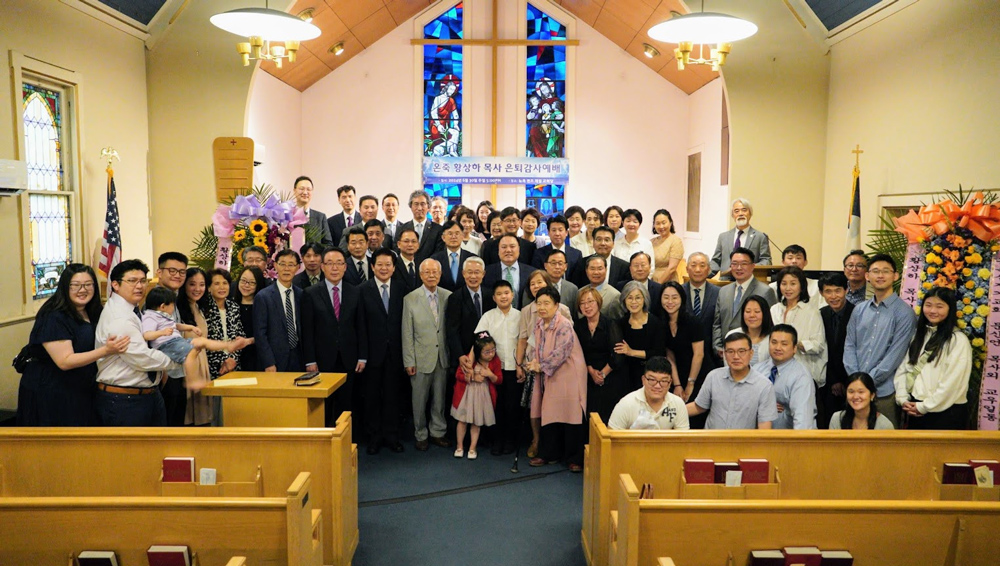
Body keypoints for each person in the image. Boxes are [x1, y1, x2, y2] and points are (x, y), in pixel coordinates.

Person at [16, 264, 129, 426]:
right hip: (51, 390)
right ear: (65, 287)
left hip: (81, 387)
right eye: (75, 285)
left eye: (88, 284)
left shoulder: (93, 310)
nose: (82, 290)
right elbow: (65, 361)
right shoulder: (53, 316)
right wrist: (106, 350)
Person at [94, 259, 179, 426]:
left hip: (144, 394)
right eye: (132, 281)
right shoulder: (119, 317)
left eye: (143, 281)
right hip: (125, 399)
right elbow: (142, 358)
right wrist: (179, 360)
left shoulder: (132, 309)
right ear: (115, 285)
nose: (139, 286)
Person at [844, 253, 917, 428]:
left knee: (885, 441)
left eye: (886, 271)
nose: (880, 275)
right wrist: (857, 381)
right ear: (867, 276)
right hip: (855, 393)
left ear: (895, 276)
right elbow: (849, 346)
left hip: (884, 392)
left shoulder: (904, 313)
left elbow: (895, 355)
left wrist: (864, 383)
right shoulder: (859, 310)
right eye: (875, 271)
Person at [302, 246, 368, 428]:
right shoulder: (311, 293)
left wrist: (362, 356)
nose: (335, 268)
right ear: (322, 266)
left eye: (339, 263)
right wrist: (310, 360)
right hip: (322, 359)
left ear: (345, 267)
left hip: (349, 357)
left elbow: (361, 326)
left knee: (346, 403)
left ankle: (344, 438)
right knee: (324, 404)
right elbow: (307, 331)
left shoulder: (355, 292)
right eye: (330, 263)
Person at [526, 286, 588, 471]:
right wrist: (533, 361)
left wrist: (541, 366)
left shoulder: (564, 324)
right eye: (539, 303)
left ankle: (575, 458)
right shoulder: (539, 323)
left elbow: (562, 351)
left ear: (556, 305)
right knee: (550, 412)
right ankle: (549, 453)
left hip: (569, 373)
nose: (542, 307)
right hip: (549, 374)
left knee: (571, 414)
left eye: (547, 303)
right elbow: (536, 347)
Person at [894, 287, 971, 430]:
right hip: (915, 407)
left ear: (950, 309)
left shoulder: (958, 340)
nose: (933, 311)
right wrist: (903, 398)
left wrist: (925, 407)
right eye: (928, 305)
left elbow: (952, 382)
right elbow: (904, 367)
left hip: (945, 412)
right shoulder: (919, 335)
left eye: (939, 306)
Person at [141, 286, 244, 390]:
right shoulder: (150, 317)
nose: (173, 308)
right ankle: (192, 380)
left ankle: (227, 346)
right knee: (192, 351)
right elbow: (147, 335)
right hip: (167, 345)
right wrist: (162, 333)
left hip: (177, 341)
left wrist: (191, 328)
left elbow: (176, 325)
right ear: (163, 306)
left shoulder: (164, 316)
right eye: (172, 305)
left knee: (201, 341)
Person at [359, 248, 407, 454]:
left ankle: (392, 435)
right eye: (380, 264)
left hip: (396, 352)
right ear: (372, 267)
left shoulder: (402, 289)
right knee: (372, 397)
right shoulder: (362, 290)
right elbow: (360, 325)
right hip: (372, 354)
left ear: (394, 268)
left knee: (393, 395)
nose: (384, 268)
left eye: (388, 264)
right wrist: (362, 354)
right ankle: (374, 436)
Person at [402, 259, 452, 451]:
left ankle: (438, 432)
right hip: (420, 357)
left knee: (440, 399)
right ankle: (420, 434)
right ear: (421, 275)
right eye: (427, 272)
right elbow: (407, 333)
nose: (431, 275)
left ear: (440, 274)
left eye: (435, 272)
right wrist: (409, 360)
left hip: (442, 357)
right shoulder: (410, 298)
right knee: (419, 400)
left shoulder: (448, 296)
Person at [686, 332, 777, 430]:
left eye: (741, 351)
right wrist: (675, 410)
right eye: (730, 351)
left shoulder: (764, 386)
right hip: (712, 438)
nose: (736, 356)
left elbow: (764, 427)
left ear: (751, 353)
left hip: (743, 439)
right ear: (724, 354)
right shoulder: (714, 376)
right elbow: (699, 407)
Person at [711, 247, 778, 359]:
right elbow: (717, 323)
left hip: (752, 353)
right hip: (725, 352)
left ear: (753, 266)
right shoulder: (723, 291)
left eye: (744, 264)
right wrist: (718, 347)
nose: (739, 268)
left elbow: (770, 323)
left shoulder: (765, 291)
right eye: (734, 264)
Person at [574, 287, 625, 424]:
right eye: (582, 303)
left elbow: (618, 354)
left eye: (590, 301)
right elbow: (577, 353)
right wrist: (591, 371)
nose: (587, 306)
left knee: (607, 416)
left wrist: (602, 374)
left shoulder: (610, 323)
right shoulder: (578, 326)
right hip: (587, 375)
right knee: (589, 416)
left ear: (598, 302)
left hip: (610, 374)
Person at [770, 266, 827, 388]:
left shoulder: (811, 312)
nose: (788, 288)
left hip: (803, 373)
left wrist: (796, 344)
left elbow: (819, 345)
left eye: (793, 284)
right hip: (777, 370)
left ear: (801, 287)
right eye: (784, 284)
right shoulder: (774, 310)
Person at [153, 251, 192, 426]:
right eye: (172, 270)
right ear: (159, 272)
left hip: (177, 371)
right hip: (165, 373)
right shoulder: (156, 300)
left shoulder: (173, 297)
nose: (177, 275)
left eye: (182, 272)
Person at [755, 324, 817, 429]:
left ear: (794, 348)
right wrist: (764, 407)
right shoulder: (757, 370)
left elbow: (803, 422)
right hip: (758, 435)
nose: (778, 348)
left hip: (788, 437)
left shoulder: (801, 377)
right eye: (774, 342)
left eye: (784, 344)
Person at [452, 332, 502, 459]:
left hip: (482, 397)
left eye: (493, 350)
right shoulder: (469, 360)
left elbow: (499, 380)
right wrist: (473, 377)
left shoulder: (495, 361)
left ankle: (472, 448)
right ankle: (459, 446)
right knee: (462, 420)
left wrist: (490, 374)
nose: (491, 354)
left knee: (477, 422)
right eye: (487, 352)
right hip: (467, 395)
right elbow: (458, 374)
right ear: (478, 352)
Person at [254, 249, 304, 373]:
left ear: (298, 267)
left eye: (291, 265)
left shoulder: (302, 295)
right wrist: (268, 362)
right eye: (282, 264)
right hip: (275, 360)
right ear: (275, 265)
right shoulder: (263, 297)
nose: (286, 269)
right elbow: (260, 334)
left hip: (299, 358)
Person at [176, 267, 215, 425]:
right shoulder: (178, 308)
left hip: (202, 362)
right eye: (192, 284)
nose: (197, 289)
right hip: (188, 366)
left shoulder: (198, 306)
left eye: (202, 284)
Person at [608, 356, 690, 430]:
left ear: (670, 383)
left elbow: (684, 438)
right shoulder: (626, 404)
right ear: (643, 380)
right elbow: (611, 437)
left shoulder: (678, 403)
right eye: (652, 380)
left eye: (664, 381)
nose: (657, 386)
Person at [660, 282, 709, 405]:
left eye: (674, 297)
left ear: (682, 299)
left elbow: (699, 354)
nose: (670, 302)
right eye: (666, 297)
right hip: (678, 373)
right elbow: (669, 355)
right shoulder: (662, 323)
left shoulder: (693, 322)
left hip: (698, 373)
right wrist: (677, 384)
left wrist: (690, 383)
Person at [818, 272, 855, 428]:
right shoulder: (820, 314)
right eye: (828, 291)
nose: (833, 296)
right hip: (827, 381)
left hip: (851, 379)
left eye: (837, 291)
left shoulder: (856, 313)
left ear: (846, 290)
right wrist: (833, 380)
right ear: (821, 293)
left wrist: (844, 380)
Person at [615, 281, 666, 392]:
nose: (634, 302)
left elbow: (659, 352)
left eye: (638, 298)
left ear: (644, 299)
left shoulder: (655, 322)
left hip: (650, 375)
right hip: (626, 376)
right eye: (630, 298)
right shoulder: (620, 323)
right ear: (624, 300)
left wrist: (632, 352)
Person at [710, 198, 772, 279]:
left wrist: (748, 267)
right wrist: (704, 273)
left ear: (750, 213)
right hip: (725, 281)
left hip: (749, 281)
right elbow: (715, 261)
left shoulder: (760, 237)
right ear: (732, 215)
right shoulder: (723, 237)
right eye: (736, 211)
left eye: (744, 210)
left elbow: (766, 261)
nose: (740, 214)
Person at [683, 252, 720, 368]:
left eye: (702, 265)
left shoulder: (719, 293)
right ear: (687, 269)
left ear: (708, 269)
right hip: (684, 354)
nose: (698, 270)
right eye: (693, 265)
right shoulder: (678, 292)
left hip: (711, 355)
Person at [483, 234, 537, 309]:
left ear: (519, 249)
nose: (508, 250)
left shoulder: (531, 272)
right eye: (504, 247)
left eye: (512, 246)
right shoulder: (487, 272)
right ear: (498, 250)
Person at [829, 372, 894, 430]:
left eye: (861, 392)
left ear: (872, 395)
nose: (855, 396)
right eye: (851, 392)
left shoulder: (884, 425)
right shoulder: (837, 419)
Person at [768, 245, 826, 309]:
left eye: (798, 258)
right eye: (790, 258)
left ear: (805, 262)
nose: (794, 261)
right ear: (783, 262)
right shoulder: (772, 287)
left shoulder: (816, 285)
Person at [397, 190, 444, 265]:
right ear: (411, 206)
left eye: (423, 204)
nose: (419, 208)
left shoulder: (438, 229)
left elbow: (439, 252)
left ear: (428, 207)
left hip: (429, 268)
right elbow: (397, 251)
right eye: (416, 204)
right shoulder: (401, 228)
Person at [432, 220, 477, 292]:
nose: (453, 237)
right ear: (443, 237)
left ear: (462, 236)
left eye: (457, 233)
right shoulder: (435, 259)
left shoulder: (472, 258)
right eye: (450, 234)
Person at [234, 266, 264, 372]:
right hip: (234, 357)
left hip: (257, 356)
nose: (246, 285)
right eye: (243, 281)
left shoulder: (263, 306)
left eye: (252, 283)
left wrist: (249, 341)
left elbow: (269, 333)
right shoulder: (230, 305)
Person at [532, 249, 579, 316]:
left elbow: (575, 314)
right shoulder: (538, 286)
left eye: (560, 263)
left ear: (566, 266)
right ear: (545, 265)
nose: (557, 267)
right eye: (553, 263)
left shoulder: (572, 289)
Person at [580, 255, 626, 321]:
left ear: (606, 270)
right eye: (592, 269)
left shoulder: (614, 295)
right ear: (586, 271)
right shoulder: (580, 292)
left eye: (600, 269)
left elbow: (617, 322)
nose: (596, 272)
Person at [735, 295, 774, 368]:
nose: (752, 315)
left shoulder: (773, 339)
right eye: (748, 311)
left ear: (765, 314)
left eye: (757, 311)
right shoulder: (733, 335)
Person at [292, 175, 333, 245]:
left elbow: (328, 243)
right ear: (294, 190)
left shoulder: (320, 217)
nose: (305, 192)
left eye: (308, 189)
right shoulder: (287, 216)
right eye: (301, 189)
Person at [650, 209, 684, 284]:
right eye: (657, 223)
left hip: (668, 283)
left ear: (670, 223)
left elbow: (672, 268)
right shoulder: (652, 242)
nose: (661, 226)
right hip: (652, 281)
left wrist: (658, 285)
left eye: (663, 223)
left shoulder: (675, 241)